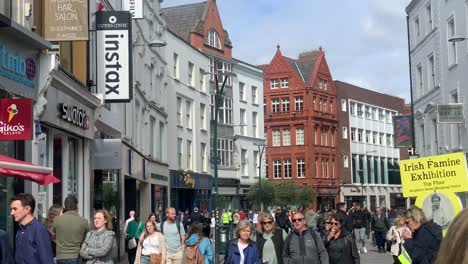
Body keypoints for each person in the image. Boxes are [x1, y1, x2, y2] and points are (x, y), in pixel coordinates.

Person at [10, 193, 54, 264]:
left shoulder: (39, 230)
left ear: (27, 209)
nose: (12, 212)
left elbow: (47, 260)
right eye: (12, 209)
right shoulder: (19, 230)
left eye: (15, 209)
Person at [53, 195, 89, 264]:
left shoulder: (57, 220)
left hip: (60, 256)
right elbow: (86, 239)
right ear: (77, 206)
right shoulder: (84, 221)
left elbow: (52, 235)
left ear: (65, 206)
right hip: (76, 256)